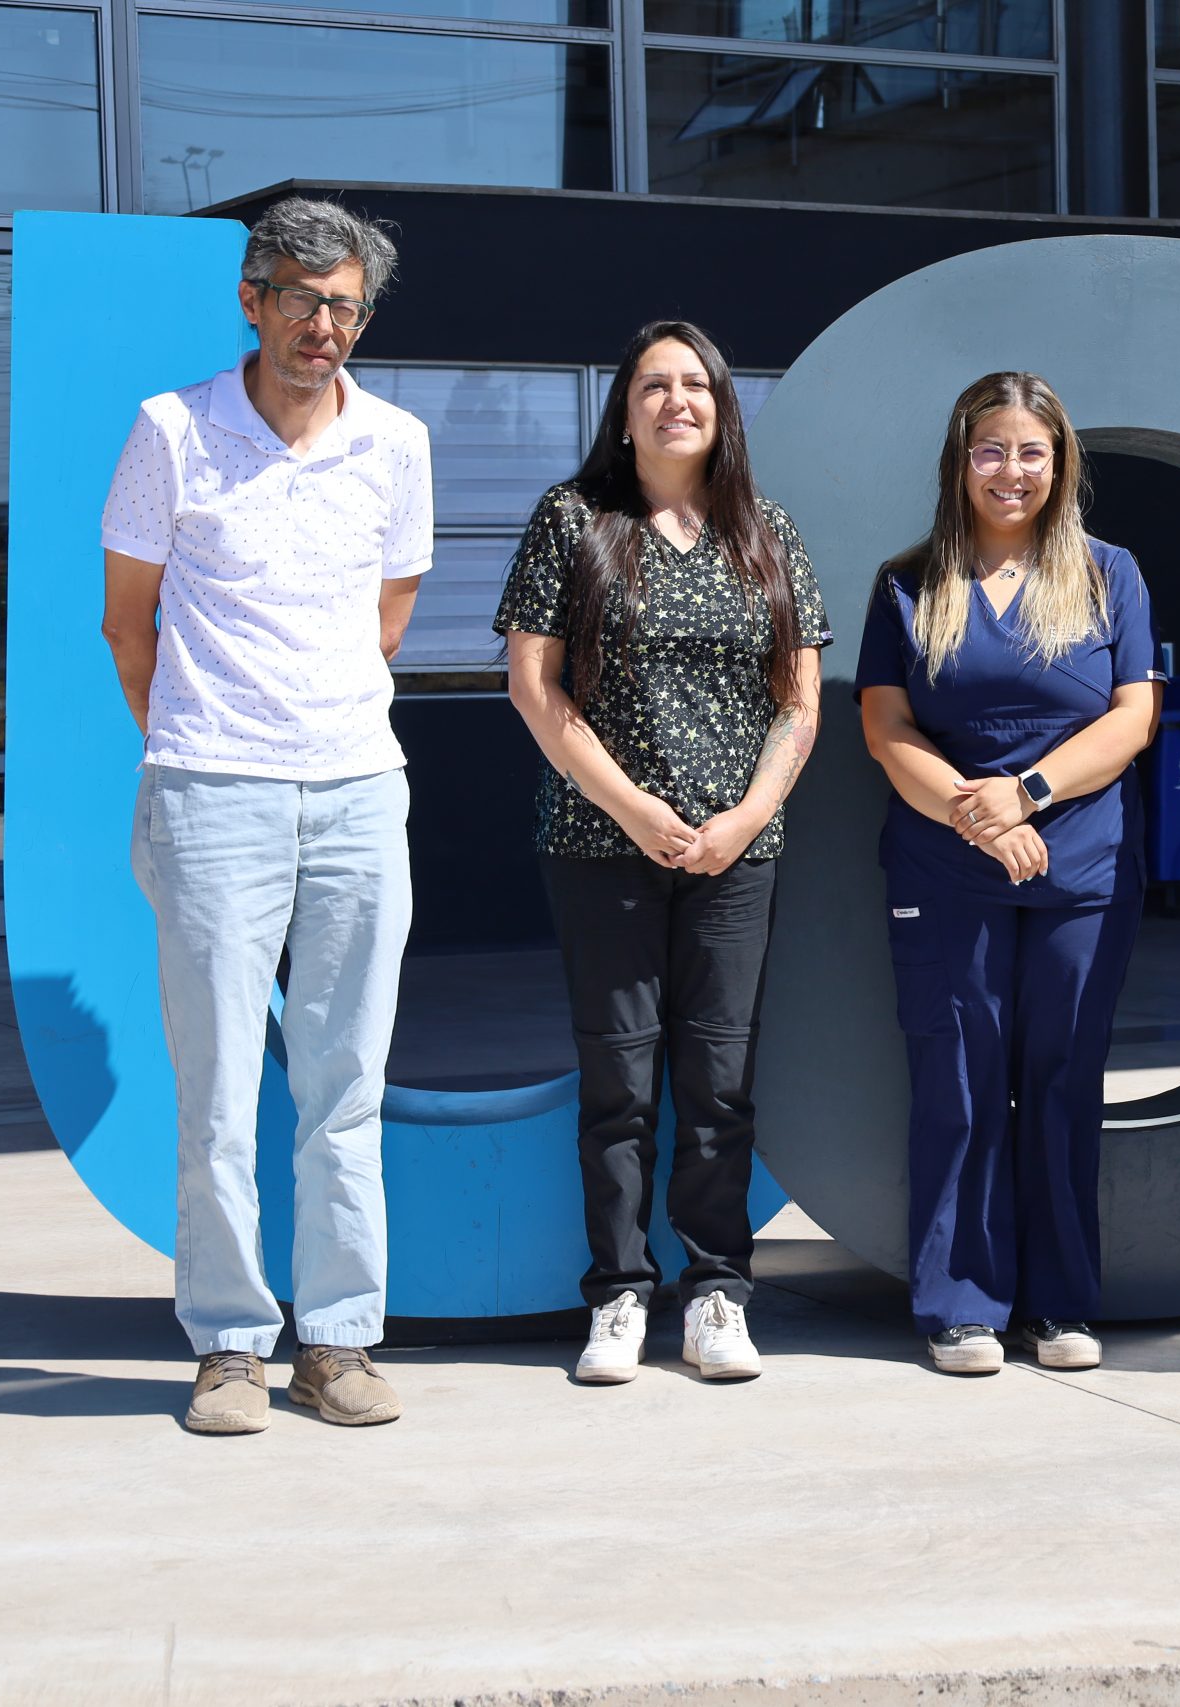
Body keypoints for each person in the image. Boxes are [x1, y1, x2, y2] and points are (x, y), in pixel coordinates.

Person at [102, 197, 429, 1434]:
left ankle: (336, 1342)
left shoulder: (395, 443)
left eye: (344, 303)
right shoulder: (173, 431)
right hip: (211, 789)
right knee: (220, 1085)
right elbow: (128, 623)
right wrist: (206, 740)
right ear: (252, 298)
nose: (323, 324)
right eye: (300, 297)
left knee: (348, 1081)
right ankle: (231, 1347)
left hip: (356, 787)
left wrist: (311, 721)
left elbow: (386, 617)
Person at [494, 320, 827, 1386]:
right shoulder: (574, 520)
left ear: (722, 407)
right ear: (624, 408)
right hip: (601, 844)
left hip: (739, 853)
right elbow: (534, 688)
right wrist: (635, 809)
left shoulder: (764, 531)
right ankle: (621, 1296)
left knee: (721, 1081)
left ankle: (719, 1292)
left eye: (696, 384)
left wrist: (744, 816)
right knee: (619, 1082)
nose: (676, 400)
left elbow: (799, 704)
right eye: (654, 384)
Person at [856, 372, 1161, 1375]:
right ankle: (961, 1305)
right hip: (946, 866)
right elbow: (884, 724)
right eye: (992, 450)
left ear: (1060, 463)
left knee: (1062, 1079)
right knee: (959, 1082)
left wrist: (1023, 795)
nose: (1012, 471)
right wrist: (970, 812)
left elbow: (1132, 718)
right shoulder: (908, 582)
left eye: (1033, 451)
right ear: (960, 460)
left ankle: (1060, 1304)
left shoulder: (1111, 573)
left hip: (1080, 865)